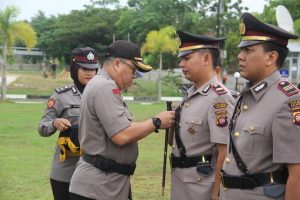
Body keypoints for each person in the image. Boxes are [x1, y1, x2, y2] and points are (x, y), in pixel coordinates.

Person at [69, 40, 175, 200]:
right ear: (117, 64)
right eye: (133, 70)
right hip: (99, 188)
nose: (134, 76)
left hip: (107, 185)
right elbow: (122, 135)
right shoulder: (104, 87)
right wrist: (156, 122)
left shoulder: (100, 85)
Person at [220, 13, 300, 200]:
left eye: (248, 51)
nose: (240, 56)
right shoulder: (247, 96)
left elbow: (297, 174)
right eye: (241, 50)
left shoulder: (287, 100)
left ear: (271, 57)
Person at [169, 30, 235, 200]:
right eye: (181, 59)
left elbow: (225, 151)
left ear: (206, 59)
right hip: (182, 182)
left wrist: (217, 193)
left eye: (187, 58)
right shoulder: (192, 94)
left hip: (202, 188)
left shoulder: (218, 96)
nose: (181, 64)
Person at [38, 47, 99, 200]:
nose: (90, 73)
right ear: (74, 68)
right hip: (66, 173)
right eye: (84, 68)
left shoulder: (102, 95)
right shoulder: (61, 97)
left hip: (95, 172)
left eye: (93, 69)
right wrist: (55, 123)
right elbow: (42, 127)